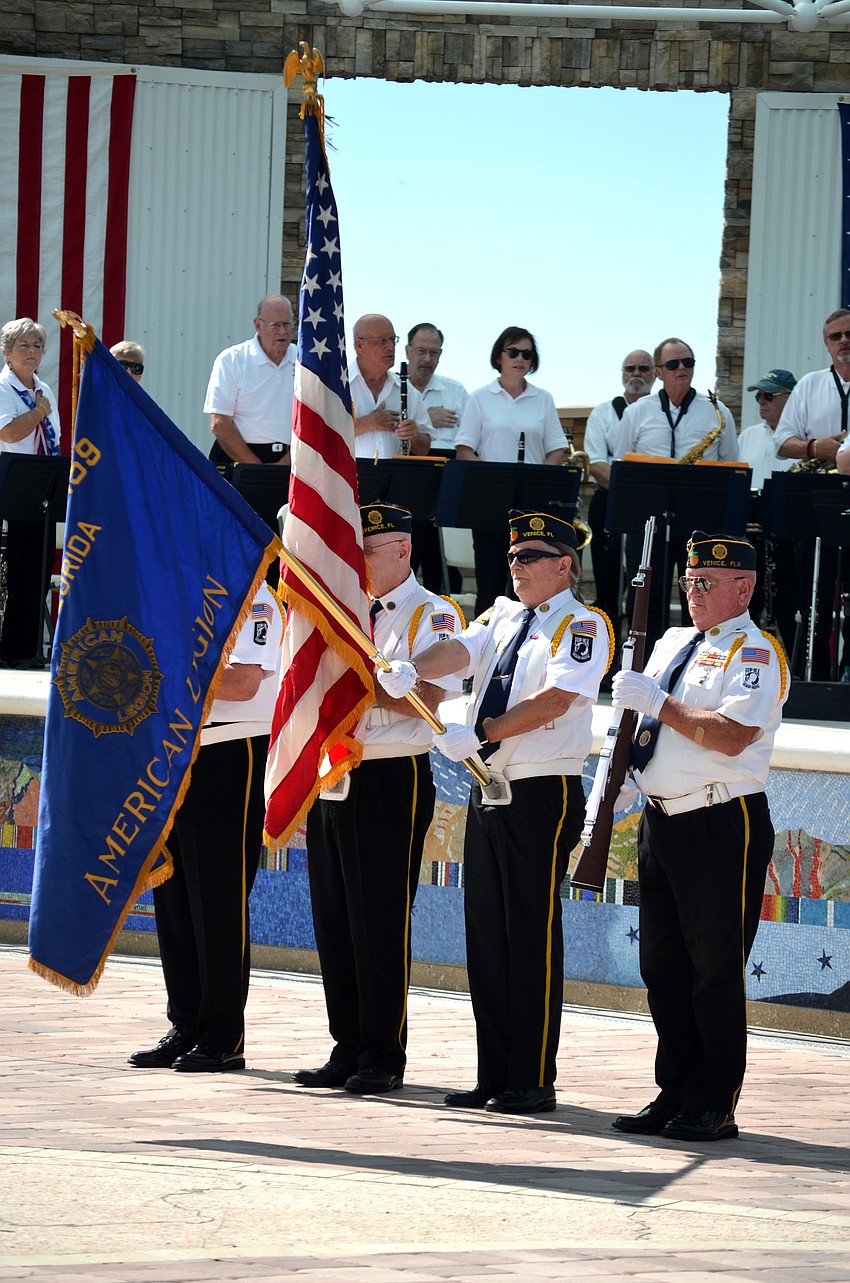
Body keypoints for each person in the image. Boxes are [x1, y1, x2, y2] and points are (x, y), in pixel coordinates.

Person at [377, 511, 611, 1115]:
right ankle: (493, 1074)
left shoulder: (582, 624)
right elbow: (461, 650)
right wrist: (414, 668)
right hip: (488, 785)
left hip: (540, 789)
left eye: (531, 556)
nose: (517, 566)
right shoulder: (503, 615)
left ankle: (531, 1077)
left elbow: (557, 698)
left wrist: (482, 731)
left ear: (565, 564)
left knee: (528, 932)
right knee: (485, 933)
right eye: (512, 556)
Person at [610, 532, 787, 1141]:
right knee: (661, 964)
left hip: (720, 820)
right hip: (662, 817)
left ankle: (714, 1099)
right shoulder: (671, 643)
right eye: (689, 581)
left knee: (715, 966)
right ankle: (675, 1089)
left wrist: (658, 703)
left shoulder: (755, 652)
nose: (695, 592)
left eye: (708, 583)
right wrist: (626, 775)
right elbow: (643, 724)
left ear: (745, 587)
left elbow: (732, 734)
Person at [294, 503, 463, 1095]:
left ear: (403, 551)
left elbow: (428, 697)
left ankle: (383, 1054)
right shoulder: (342, 610)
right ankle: (347, 1044)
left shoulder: (433, 614)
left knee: (380, 917)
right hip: (334, 771)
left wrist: (366, 686)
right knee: (335, 914)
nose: (357, 559)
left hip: (391, 774)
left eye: (369, 548)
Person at [129, 582, 283, 1072]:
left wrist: (166, 674)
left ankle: (222, 1034)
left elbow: (243, 683)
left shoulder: (253, 596)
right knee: (172, 894)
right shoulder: (175, 593)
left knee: (219, 895)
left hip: (229, 750)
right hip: (174, 746)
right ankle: (186, 1023)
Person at [615, 337, 738, 652]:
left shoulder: (716, 411)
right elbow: (622, 465)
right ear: (659, 372)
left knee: (701, 596)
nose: (682, 369)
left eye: (688, 362)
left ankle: (697, 659)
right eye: (673, 364)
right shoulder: (637, 412)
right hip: (648, 521)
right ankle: (643, 662)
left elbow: (731, 467)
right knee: (646, 596)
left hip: (701, 520)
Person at [455, 327, 567, 616]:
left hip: (532, 508)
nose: (520, 358)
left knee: (530, 585)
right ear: (499, 357)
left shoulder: (543, 399)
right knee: (490, 585)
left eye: (526, 354)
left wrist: (539, 481)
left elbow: (557, 449)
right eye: (513, 352)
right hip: (490, 506)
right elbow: (465, 449)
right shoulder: (479, 397)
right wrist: (490, 485)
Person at [775, 311, 850, 679]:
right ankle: (816, 677)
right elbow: (782, 441)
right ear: (826, 344)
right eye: (835, 336)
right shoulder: (810, 384)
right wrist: (814, 448)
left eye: (849, 334)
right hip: (819, 499)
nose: (844, 341)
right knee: (814, 598)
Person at [0, 317, 61, 667]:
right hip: (11, 488)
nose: (32, 352)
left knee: (34, 574)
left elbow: (52, 437)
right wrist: (38, 412)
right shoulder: (6, 389)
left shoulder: (43, 390)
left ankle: (25, 650)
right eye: (24, 345)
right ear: (8, 353)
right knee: (10, 571)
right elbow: (8, 433)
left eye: (37, 345)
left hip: (42, 487)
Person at [584, 349, 655, 641]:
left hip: (650, 508)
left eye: (643, 368)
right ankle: (608, 652)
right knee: (607, 581)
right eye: (629, 369)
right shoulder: (602, 412)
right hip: (609, 503)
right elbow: (596, 462)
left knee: (644, 584)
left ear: (654, 374)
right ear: (622, 374)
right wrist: (631, 490)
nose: (636, 374)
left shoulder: (660, 413)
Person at [737, 368, 798, 656]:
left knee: (788, 606)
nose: (761, 400)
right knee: (752, 604)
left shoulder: (802, 438)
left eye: (769, 395)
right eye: (759, 395)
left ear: (791, 398)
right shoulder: (748, 436)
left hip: (788, 537)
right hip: (752, 537)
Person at [404, 322, 469, 591]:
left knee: (441, 559)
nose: (427, 359)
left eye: (434, 353)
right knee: (409, 551)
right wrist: (426, 419)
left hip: (444, 477)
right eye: (421, 351)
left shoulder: (455, 391)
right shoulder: (391, 386)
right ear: (407, 351)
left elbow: (468, 439)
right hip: (407, 477)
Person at [204, 295, 295, 466]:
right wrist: (255, 467)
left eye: (287, 324)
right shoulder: (232, 360)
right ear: (258, 324)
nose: (282, 331)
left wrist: (285, 463)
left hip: (291, 461)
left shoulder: (304, 362)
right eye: (275, 325)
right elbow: (220, 423)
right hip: (238, 457)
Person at [350, 315, 432, 459]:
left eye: (393, 340)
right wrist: (368, 423)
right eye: (382, 341)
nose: (390, 347)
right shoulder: (337, 386)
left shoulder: (408, 391)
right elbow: (320, 437)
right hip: (348, 481)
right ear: (360, 345)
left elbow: (423, 449)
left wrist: (414, 436)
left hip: (393, 478)